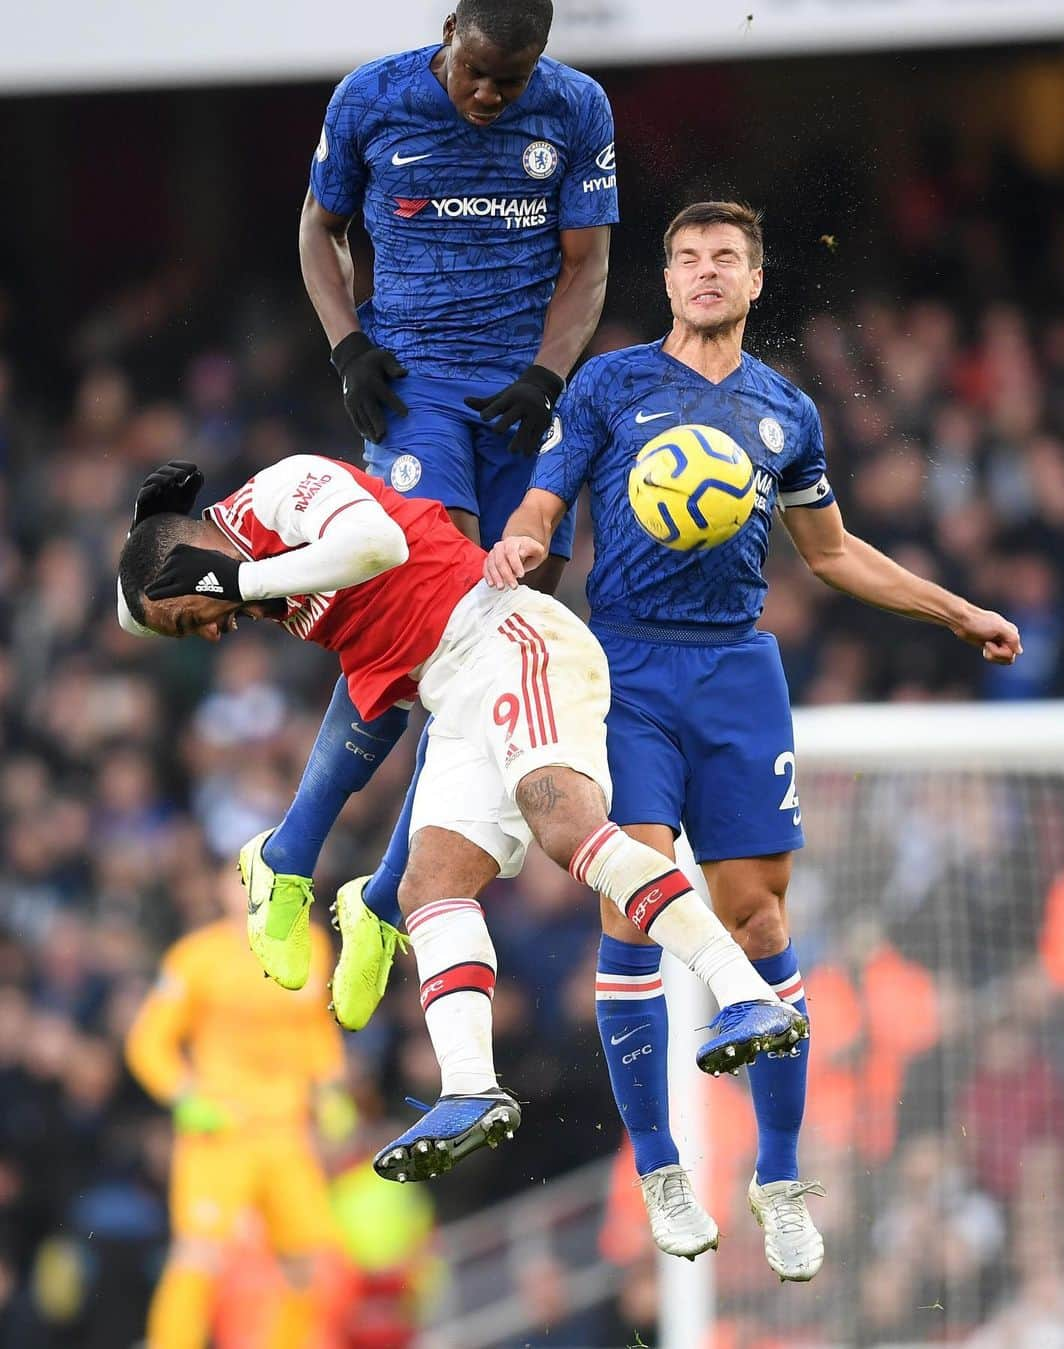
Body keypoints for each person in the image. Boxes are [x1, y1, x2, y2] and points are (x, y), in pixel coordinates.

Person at [484, 200, 1023, 1273]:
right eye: (687, 259)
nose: (704, 273)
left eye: (725, 258)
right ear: (671, 280)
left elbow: (831, 553)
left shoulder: (786, 411)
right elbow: (545, 501)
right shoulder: (611, 382)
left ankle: (780, 1177)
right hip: (626, 665)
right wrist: (526, 535)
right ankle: (661, 1166)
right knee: (629, 899)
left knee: (760, 913)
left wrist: (955, 608)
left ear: (757, 280)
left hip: (737, 672)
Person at [117, 450, 806, 1185]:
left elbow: (377, 541)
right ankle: (471, 1087)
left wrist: (232, 579)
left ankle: (746, 995)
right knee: (429, 887)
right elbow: (369, 683)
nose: (214, 632)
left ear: (199, 564)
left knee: (568, 829)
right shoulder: (264, 593)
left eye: (195, 618)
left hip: (507, 638)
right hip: (452, 694)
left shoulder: (279, 492)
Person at [253, 0, 618, 940]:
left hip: (523, 399)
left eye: (513, 78)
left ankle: (382, 896)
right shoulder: (371, 97)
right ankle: (290, 851)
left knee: (508, 622)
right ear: (449, 29)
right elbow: (317, 226)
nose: (490, 94)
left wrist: (548, 373)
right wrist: (346, 348)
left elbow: (587, 266)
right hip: (416, 382)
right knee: (435, 615)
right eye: (476, 72)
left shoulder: (577, 108)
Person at [124, 860, 356, 1349]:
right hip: (221, 1128)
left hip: (288, 1130)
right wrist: (184, 1095)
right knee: (200, 1253)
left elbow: (317, 1027)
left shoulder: (311, 945)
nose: (259, 896)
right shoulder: (195, 958)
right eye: (248, 885)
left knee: (307, 1262)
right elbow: (148, 1042)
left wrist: (332, 1089)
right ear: (223, 891)